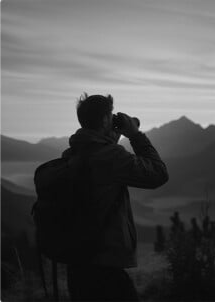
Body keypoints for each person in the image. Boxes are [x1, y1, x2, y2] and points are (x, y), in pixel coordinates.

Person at [62, 94, 168, 301]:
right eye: (110, 116)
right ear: (104, 120)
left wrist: (110, 139)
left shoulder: (72, 153)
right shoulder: (110, 157)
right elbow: (158, 174)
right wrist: (135, 135)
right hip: (104, 269)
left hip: (77, 265)